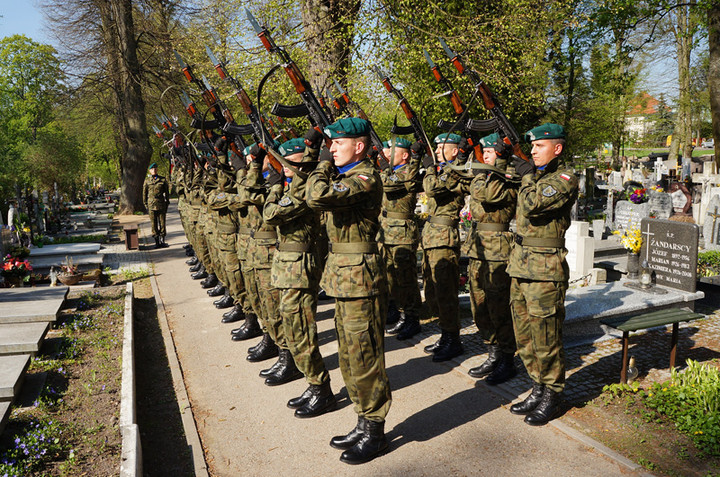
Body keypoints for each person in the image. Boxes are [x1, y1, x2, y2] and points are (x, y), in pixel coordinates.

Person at [306, 117, 391, 465]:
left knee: (365, 355)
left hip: (361, 281)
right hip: (344, 278)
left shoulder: (365, 177)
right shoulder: (348, 177)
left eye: (337, 144)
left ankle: (375, 429)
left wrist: (321, 164)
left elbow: (316, 196)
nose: (331, 149)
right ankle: (361, 418)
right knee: (349, 354)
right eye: (330, 144)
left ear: (359, 146)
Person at [506, 123, 578, 426]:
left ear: (556, 149)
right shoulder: (534, 176)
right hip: (521, 264)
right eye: (531, 147)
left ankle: (553, 394)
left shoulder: (564, 178)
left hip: (546, 269)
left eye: (539, 147)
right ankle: (537, 386)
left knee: (546, 337)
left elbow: (533, 205)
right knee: (524, 336)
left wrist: (525, 175)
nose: (533, 151)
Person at [264, 135, 336, 418]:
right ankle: (312, 382)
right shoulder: (293, 187)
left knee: (302, 333)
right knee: (293, 330)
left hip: (300, 268)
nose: (283, 168)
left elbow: (271, 214)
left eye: (288, 163)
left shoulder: (303, 189)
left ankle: (321, 388)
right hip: (287, 267)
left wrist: (272, 187)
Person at [420, 134, 466, 362]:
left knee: (446, 291)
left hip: (444, 237)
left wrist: (429, 169)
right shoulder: (445, 170)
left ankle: (453, 339)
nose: (437, 151)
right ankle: (445, 334)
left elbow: (431, 189)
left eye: (441, 147)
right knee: (434, 290)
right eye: (436, 146)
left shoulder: (456, 170)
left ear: (455, 150)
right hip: (432, 236)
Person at [379, 138, 423, 340]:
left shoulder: (408, 173)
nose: (387, 152)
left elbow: (387, 187)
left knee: (406, 279)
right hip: (387, 231)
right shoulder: (393, 172)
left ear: (404, 155)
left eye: (392, 150)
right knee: (390, 276)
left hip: (402, 233)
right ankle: (398, 312)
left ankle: (412, 317)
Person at [143, 162, 170, 248]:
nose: (154, 170)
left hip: (161, 204)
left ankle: (162, 241)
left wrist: (167, 202)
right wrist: (145, 204)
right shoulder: (147, 181)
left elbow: (166, 192)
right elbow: (144, 193)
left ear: (157, 169)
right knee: (153, 224)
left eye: (155, 168)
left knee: (162, 223)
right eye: (152, 169)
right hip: (151, 205)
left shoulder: (162, 180)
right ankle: (156, 242)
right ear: (149, 171)